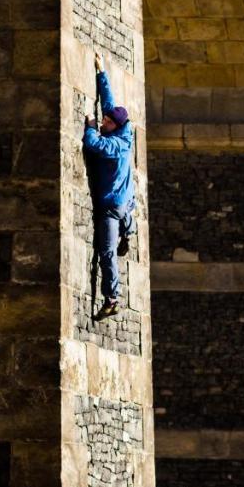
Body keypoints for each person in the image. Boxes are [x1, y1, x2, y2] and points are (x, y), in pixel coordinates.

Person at [83, 53, 135, 320]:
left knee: (106, 252)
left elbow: (95, 145)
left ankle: (112, 298)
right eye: (103, 120)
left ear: (115, 127)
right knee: (129, 207)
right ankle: (129, 233)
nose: (104, 122)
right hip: (125, 199)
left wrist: (91, 127)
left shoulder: (114, 144)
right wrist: (101, 72)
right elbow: (110, 102)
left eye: (106, 122)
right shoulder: (125, 131)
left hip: (110, 205)